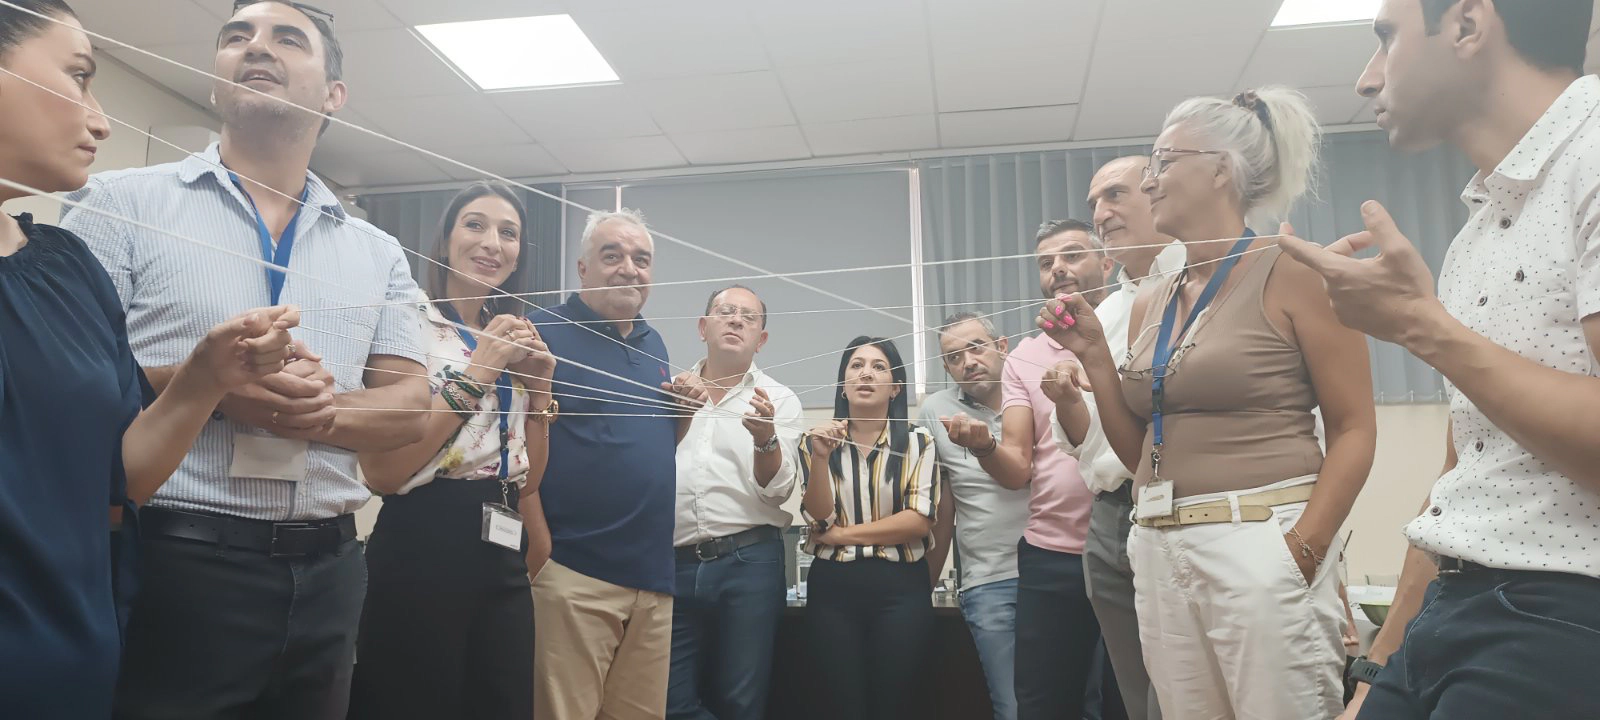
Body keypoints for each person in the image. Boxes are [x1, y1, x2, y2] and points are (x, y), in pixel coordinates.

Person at [60, 2, 434, 716]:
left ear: (333, 96)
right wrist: (213, 387)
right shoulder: (117, 204)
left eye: (287, 39)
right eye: (238, 37)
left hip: (330, 569)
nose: (256, 48)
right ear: (215, 80)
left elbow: (410, 407)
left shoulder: (376, 251)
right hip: (175, 563)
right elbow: (72, 385)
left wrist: (320, 413)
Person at [1276, 1, 1600, 717]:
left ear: (1466, 25)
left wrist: (1422, 327)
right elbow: (1466, 479)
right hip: (1451, 608)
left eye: (1386, 39)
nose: (1366, 80)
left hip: (1565, 609)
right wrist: (1378, 666)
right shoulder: (1475, 234)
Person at [0, 4, 300, 716]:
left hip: (69, 669)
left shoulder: (66, 266)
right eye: (78, 77)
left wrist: (205, 380)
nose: (100, 121)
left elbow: (122, 475)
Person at [1042, 86, 1378, 720]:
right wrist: (1092, 356)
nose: (1150, 180)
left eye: (1164, 161)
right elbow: (1140, 452)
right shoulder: (1151, 299)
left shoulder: (1296, 271)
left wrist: (1304, 549)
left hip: (1260, 537)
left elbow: (1356, 427)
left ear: (1221, 169)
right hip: (1161, 545)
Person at [347, 182, 557, 720]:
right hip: (424, 539)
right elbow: (385, 472)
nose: (492, 242)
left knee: (504, 703)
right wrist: (480, 370)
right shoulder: (407, 322)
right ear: (443, 241)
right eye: (475, 224)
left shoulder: (502, 333)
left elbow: (527, 479)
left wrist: (540, 391)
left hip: (500, 542)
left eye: (508, 233)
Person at [940, 219, 1114, 720]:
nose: (1058, 268)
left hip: (1129, 542)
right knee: (1039, 704)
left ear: (1107, 263)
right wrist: (983, 446)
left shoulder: (1136, 329)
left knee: (1124, 698)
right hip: (1050, 555)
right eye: (1046, 263)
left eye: (1072, 255)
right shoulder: (1025, 357)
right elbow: (1016, 468)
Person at [530, 208, 697, 720]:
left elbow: (650, 447)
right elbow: (514, 448)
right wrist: (541, 553)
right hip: (573, 571)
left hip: (652, 577)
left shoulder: (655, 346)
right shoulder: (541, 333)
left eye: (641, 259)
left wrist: (683, 415)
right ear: (583, 269)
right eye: (613, 255)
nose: (629, 268)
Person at [1049, 156, 1183, 720]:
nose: (1101, 214)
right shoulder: (1105, 311)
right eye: (1094, 203)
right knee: (1133, 694)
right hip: (1106, 517)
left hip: (1181, 506)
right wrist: (1064, 400)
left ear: (1158, 193)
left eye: (1115, 196)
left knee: (1182, 693)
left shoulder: (1204, 284)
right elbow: (1082, 444)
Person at [666, 284, 803, 720]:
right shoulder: (671, 392)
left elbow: (778, 490)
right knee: (667, 699)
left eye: (749, 316)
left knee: (741, 702)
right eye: (726, 311)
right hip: (674, 562)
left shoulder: (779, 400)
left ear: (761, 339)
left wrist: (766, 440)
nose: (736, 320)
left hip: (749, 562)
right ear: (703, 327)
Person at [800, 336, 940, 720]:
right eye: (856, 366)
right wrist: (820, 458)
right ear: (843, 384)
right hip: (833, 588)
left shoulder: (918, 442)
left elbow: (918, 519)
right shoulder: (815, 442)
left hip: (900, 587)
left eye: (879, 367)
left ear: (896, 387)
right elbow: (819, 519)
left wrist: (844, 536)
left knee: (895, 703)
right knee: (841, 704)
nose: (866, 373)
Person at [919, 312, 1031, 720]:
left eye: (976, 347)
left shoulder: (1035, 392)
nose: (967, 361)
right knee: (1013, 708)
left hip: (1056, 572)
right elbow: (941, 508)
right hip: (988, 581)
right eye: (953, 357)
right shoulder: (936, 410)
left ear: (1002, 347)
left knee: (1077, 703)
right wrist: (924, 589)